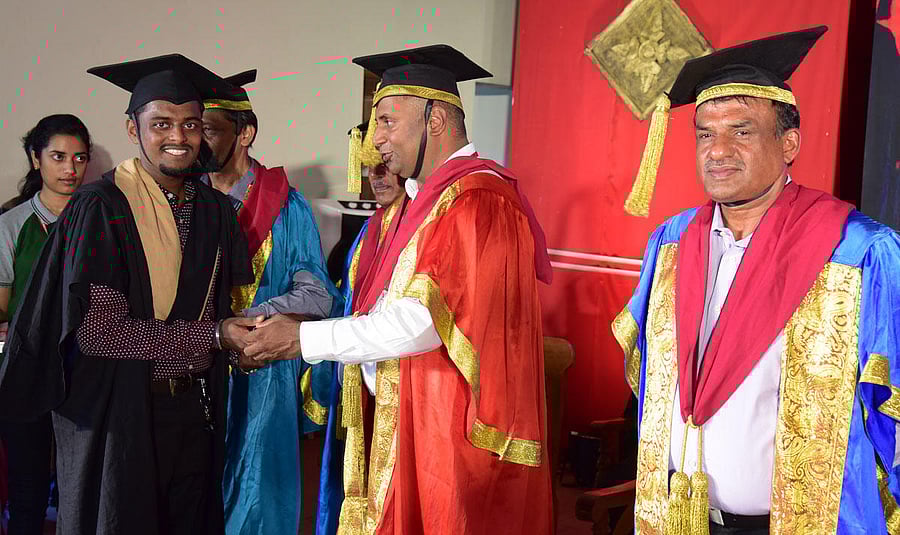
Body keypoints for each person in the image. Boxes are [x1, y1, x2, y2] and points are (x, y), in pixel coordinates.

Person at [244, 44, 555, 534]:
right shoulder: (420, 204)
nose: (375, 142)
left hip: (446, 432)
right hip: (404, 418)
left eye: (387, 121)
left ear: (435, 119)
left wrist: (303, 339)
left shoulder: (478, 200)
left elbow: (424, 322)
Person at [613, 26, 900, 534]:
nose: (717, 151)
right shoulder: (672, 243)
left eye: (741, 131)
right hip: (680, 517)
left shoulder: (859, 252)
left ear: (789, 143)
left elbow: (889, 412)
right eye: (705, 133)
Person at [0, 54, 256, 535]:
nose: (178, 137)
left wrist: (247, 342)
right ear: (133, 128)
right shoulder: (101, 207)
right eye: (161, 123)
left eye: (190, 124)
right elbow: (101, 334)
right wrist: (216, 337)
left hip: (194, 412)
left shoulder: (216, 211)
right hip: (118, 414)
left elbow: (221, 306)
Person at [199, 68, 341, 535]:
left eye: (209, 129)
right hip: (195, 364)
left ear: (246, 134)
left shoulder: (285, 205)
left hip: (261, 371)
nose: (195, 140)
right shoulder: (182, 200)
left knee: (257, 496)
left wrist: (249, 319)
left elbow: (318, 294)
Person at [0, 114, 91, 535]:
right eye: (57, 157)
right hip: (26, 367)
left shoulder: (100, 219)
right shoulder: (12, 225)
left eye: (78, 158)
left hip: (87, 366)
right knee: (27, 486)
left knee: (84, 485)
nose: (69, 169)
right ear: (36, 160)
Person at [315, 122, 406, 535]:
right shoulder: (371, 229)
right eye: (371, 167)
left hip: (401, 390)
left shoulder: (419, 228)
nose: (378, 177)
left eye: (386, 165)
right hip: (359, 381)